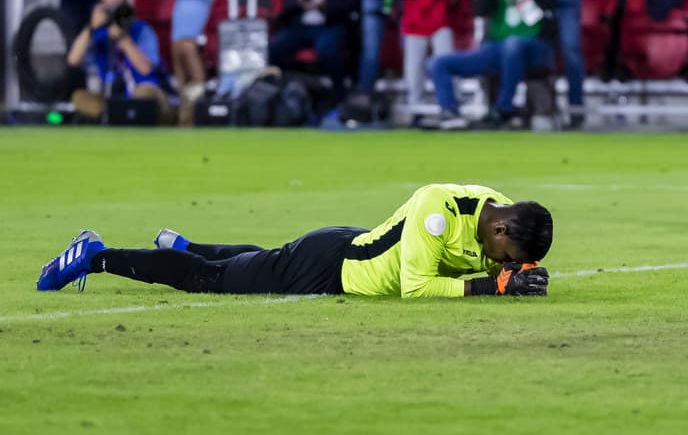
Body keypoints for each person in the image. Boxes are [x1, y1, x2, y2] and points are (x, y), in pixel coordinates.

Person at [35, 184, 552, 299]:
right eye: (505, 256)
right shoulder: (436, 212)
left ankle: (185, 244)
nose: (498, 263)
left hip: (343, 250)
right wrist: (491, 287)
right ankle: (96, 256)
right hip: (327, 268)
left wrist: (518, 275)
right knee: (210, 282)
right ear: (499, 229)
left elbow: (497, 264)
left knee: (258, 262)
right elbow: (415, 288)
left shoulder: (498, 211)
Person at [429, 0, 560, 130]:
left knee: (513, 44)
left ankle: (503, 109)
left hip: (535, 45)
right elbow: (479, 10)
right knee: (439, 62)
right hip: (498, 47)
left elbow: (548, 2)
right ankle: (450, 113)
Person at [65, 0, 175, 125]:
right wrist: (90, 27)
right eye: (109, 7)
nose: (114, 12)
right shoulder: (98, 33)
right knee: (79, 97)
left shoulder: (141, 29)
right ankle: (114, 114)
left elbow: (145, 69)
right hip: (110, 96)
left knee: (143, 94)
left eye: (118, 6)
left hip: (144, 90)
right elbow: (73, 60)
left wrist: (124, 39)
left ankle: (121, 115)